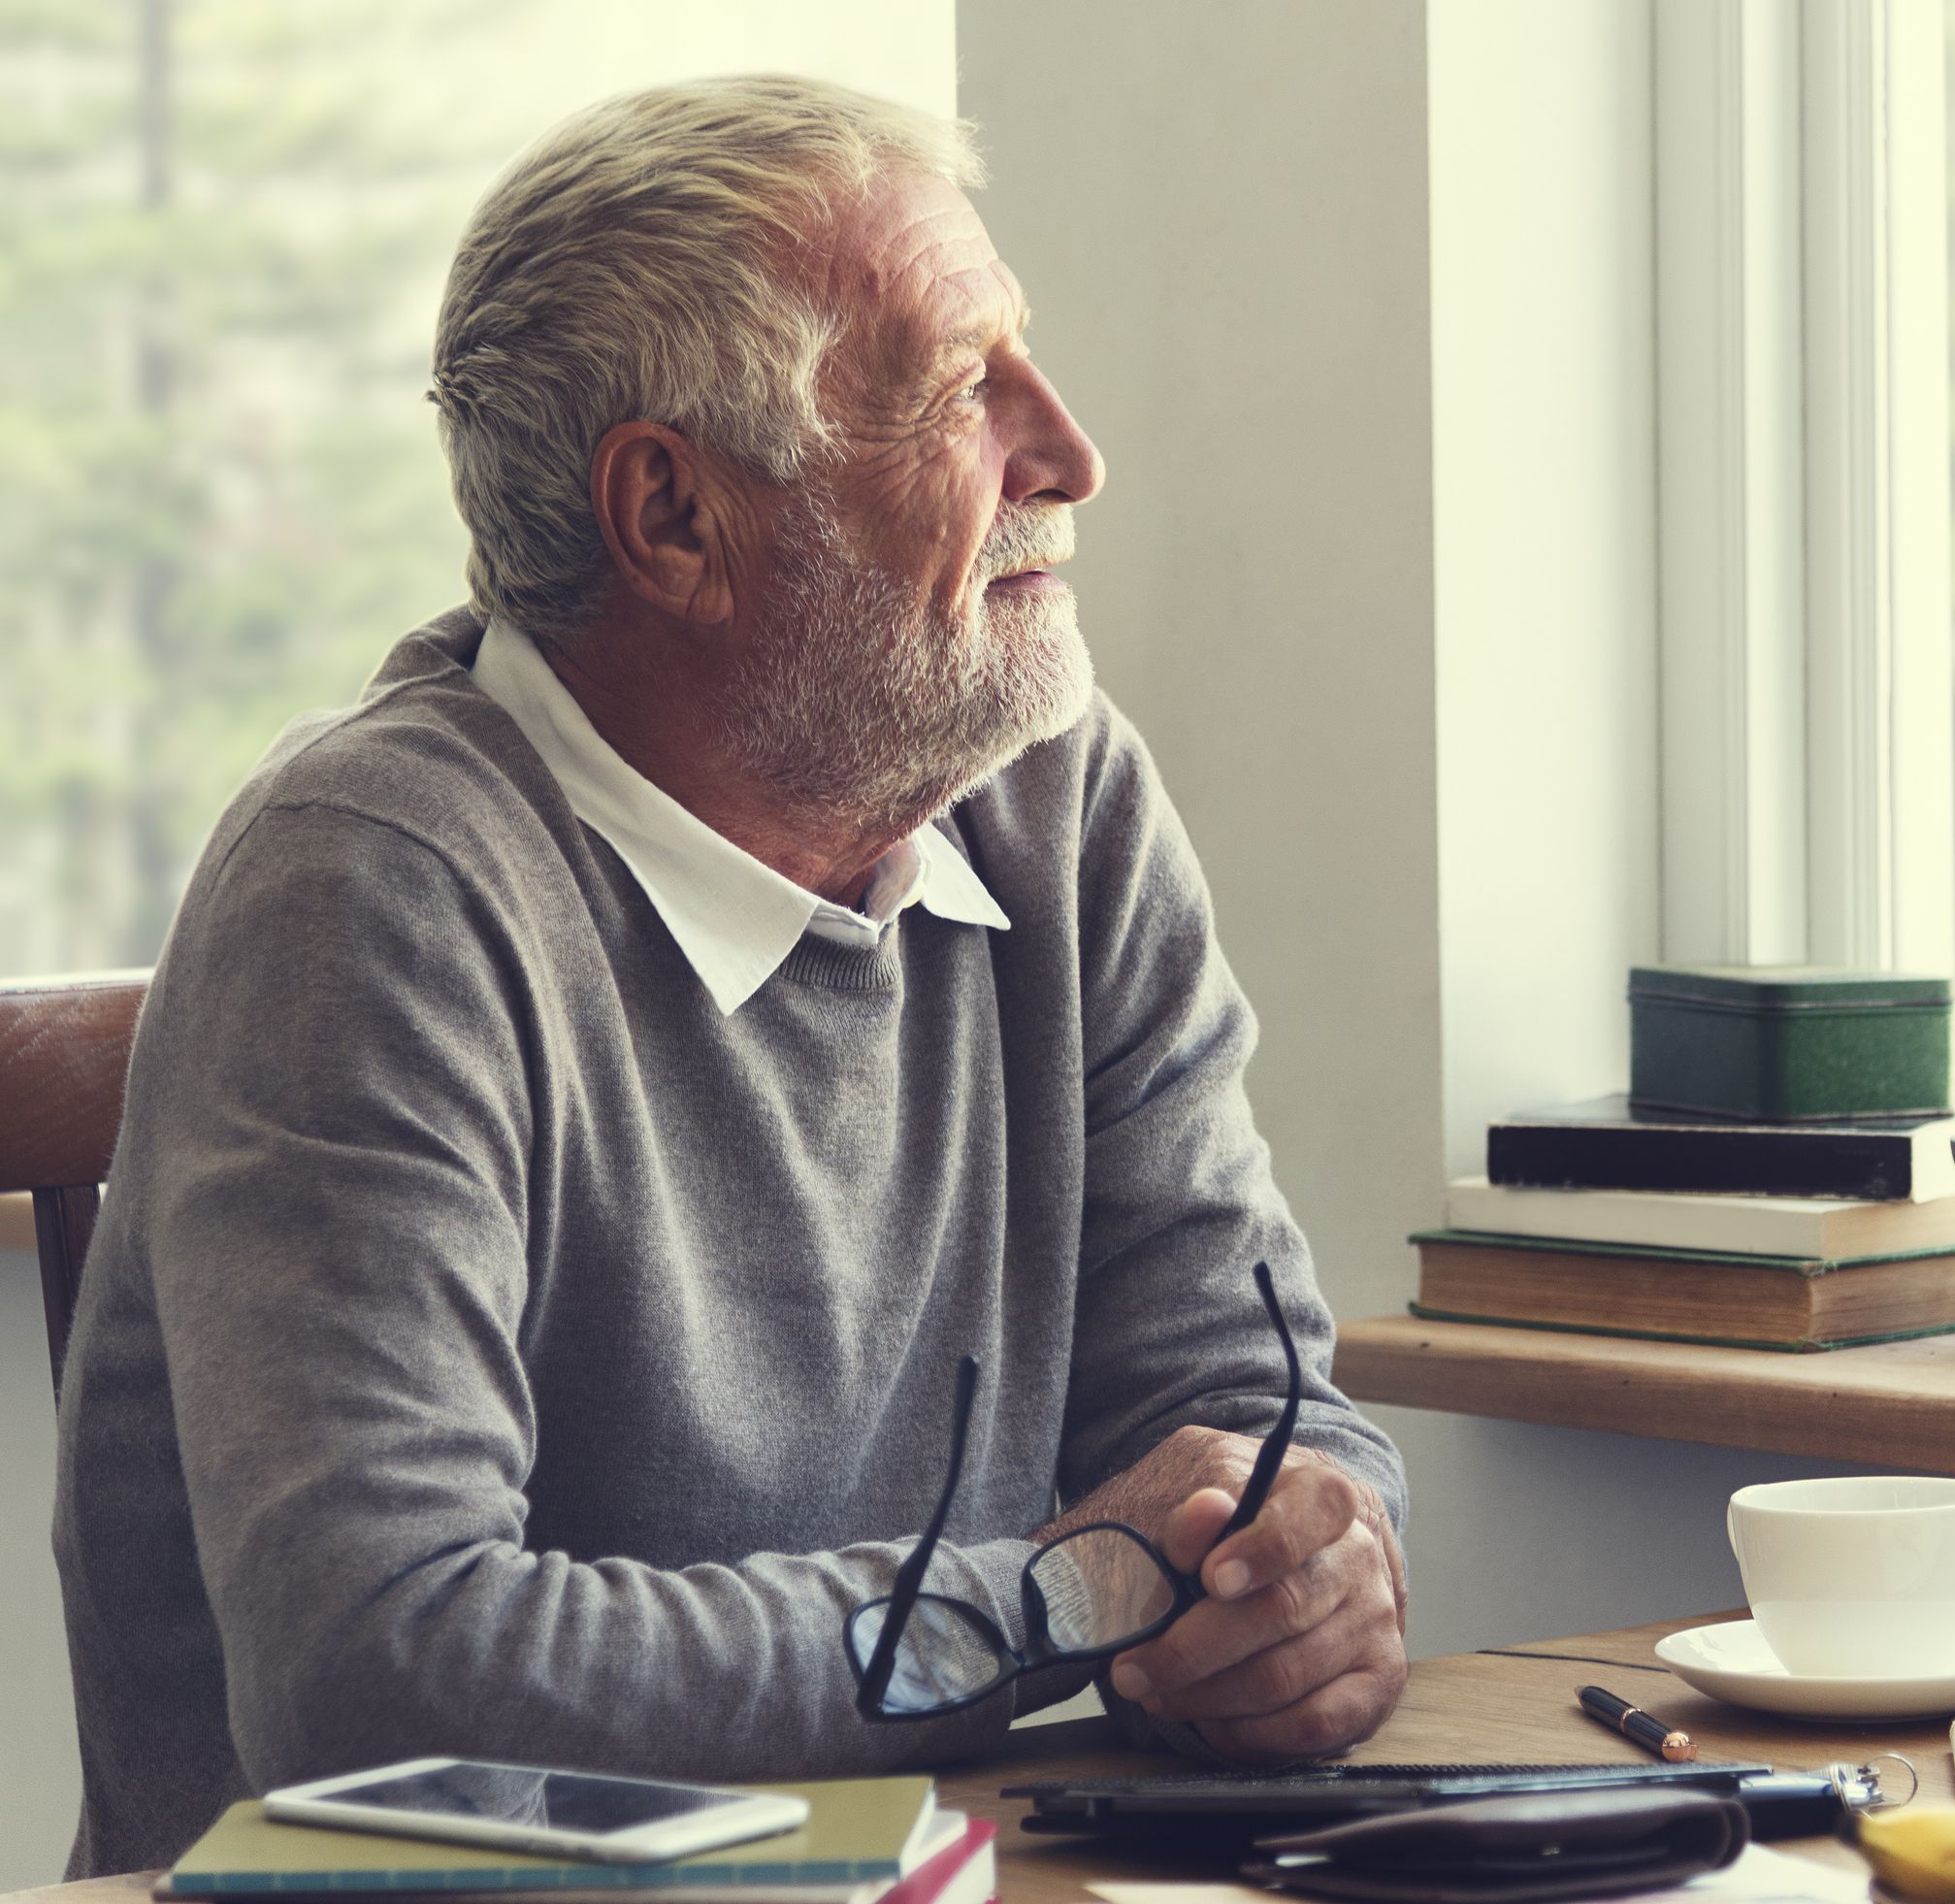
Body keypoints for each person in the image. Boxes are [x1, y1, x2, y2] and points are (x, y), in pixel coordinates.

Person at [50, 76, 1408, 1879]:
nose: (1071, 452)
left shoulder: (1056, 798)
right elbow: (379, 1672)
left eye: (1031, 359)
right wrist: (1068, 1598)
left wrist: (1312, 1574)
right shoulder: (372, 880)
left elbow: (1258, 1424)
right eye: (954, 386)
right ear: (674, 517)